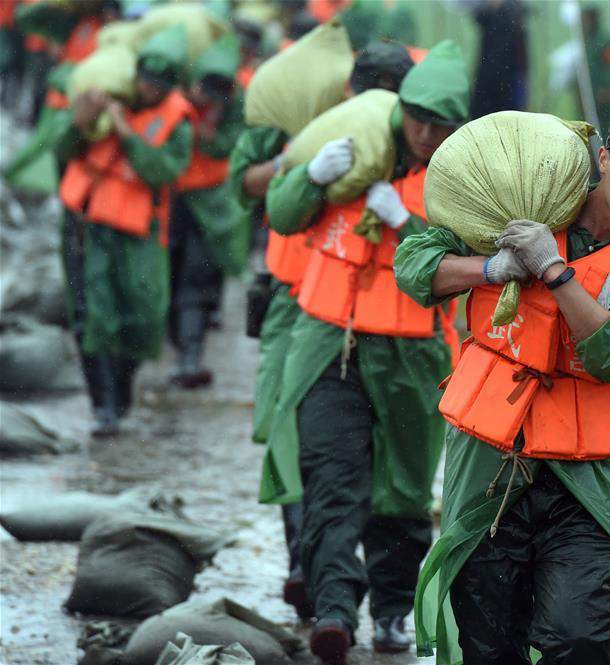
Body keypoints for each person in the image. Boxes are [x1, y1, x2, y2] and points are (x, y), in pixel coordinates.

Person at [394, 105, 610, 665]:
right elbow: (415, 268)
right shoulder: (529, 199)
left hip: (591, 471)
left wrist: (554, 272)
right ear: (602, 158)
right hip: (493, 458)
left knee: (582, 634)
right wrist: (489, 269)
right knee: (487, 633)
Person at [258, 40, 469, 665]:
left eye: (442, 124)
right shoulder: (352, 148)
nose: (427, 133)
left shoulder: (459, 183)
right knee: (329, 479)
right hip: (328, 343)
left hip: (410, 353)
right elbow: (285, 214)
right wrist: (310, 176)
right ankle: (333, 610)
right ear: (400, 108)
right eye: (419, 117)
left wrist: (404, 221)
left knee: (400, 492)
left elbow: (455, 262)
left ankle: (394, 611)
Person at [230, 39, 417, 625]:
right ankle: (309, 570)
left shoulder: (427, 149)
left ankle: (365, 594)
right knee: (295, 441)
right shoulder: (316, 129)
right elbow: (251, 187)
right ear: (348, 89)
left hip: (391, 332)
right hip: (301, 304)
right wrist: (302, 168)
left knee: (388, 471)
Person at [56, 25, 194, 437]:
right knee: (93, 318)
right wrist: (81, 122)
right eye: (143, 81)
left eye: (156, 85)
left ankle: (122, 391)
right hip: (89, 225)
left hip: (140, 231)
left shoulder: (177, 121)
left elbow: (163, 170)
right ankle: (105, 405)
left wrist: (127, 133)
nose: (147, 90)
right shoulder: (103, 101)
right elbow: (64, 153)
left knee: (144, 316)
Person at [168, 36, 246, 388]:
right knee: (169, 281)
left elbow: (230, 144)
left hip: (211, 201)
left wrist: (207, 134)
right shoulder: (170, 96)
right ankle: (179, 346)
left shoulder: (234, 104)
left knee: (195, 281)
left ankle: (190, 357)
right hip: (170, 201)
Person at [470, 0, 528, 118]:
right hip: (489, 76)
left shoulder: (513, 11)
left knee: (509, 118)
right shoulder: (487, 13)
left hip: (509, 78)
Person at [580, 3, 610, 128]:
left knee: (602, 124)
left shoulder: (606, 39)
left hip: (601, 91)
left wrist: (606, 87)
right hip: (586, 90)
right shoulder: (584, 39)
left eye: (587, 18)